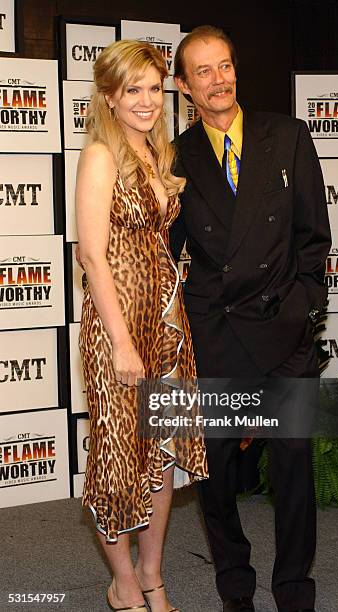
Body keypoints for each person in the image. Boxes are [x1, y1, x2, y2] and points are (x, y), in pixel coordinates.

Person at [171, 26, 331, 612]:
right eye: (204, 72)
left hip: (284, 331)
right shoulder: (177, 157)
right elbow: (166, 251)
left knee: (293, 468)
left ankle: (294, 587)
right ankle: (234, 582)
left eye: (225, 66)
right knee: (213, 473)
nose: (219, 80)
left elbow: (314, 242)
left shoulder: (287, 136)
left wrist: (300, 310)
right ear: (185, 87)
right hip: (218, 334)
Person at [76, 39, 207, 612]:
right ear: (110, 95)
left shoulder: (160, 154)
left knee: (161, 454)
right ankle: (123, 583)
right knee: (118, 456)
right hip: (119, 327)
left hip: (166, 325)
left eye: (155, 88)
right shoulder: (100, 155)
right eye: (134, 89)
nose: (148, 100)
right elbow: (91, 255)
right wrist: (123, 343)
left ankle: (153, 577)